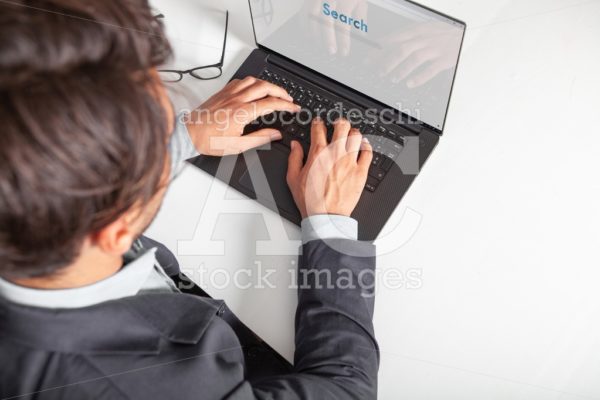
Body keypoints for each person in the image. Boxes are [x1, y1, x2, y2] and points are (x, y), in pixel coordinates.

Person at [0, 1, 379, 399]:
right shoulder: (162, 385)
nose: (175, 128)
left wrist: (184, 137)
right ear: (115, 231)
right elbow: (346, 391)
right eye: (162, 130)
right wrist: (329, 225)